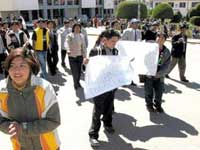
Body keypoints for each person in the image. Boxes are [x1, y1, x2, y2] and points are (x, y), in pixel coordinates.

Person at [0, 47, 61, 150]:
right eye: (12, 65)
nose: (16, 70)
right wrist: (10, 128)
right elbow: (1, 120)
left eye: (22, 65)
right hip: (20, 146)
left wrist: (23, 128)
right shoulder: (2, 91)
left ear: (31, 67)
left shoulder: (44, 88)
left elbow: (54, 121)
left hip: (48, 146)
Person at [84, 29, 121, 147]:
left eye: (116, 41)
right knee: (98, 110)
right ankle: (93, 135)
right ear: (105, 40)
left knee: (109, 107)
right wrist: (86, 64)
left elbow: (117, 67)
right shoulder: (96, 51)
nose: (115, 44)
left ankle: (108, 124)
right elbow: (88, 70)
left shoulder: (115, 51)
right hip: (99, 86)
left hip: (111, 85)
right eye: (113, 41)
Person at [144, 32, 171, 113]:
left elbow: (167, 65)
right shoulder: (149, 49)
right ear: (156, 38)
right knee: (148, 91)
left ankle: (158, 104)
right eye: (159, 37)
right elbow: (143, 61)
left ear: (165, 40)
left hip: (160, 76)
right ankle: (149, 105)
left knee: (159, 91)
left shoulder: (166, 51)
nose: (160, 39)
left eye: (163, 38)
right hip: (149, 74)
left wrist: (159, 74)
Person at [64, 23, 86, 90]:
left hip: (80, 56)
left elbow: (84, 46)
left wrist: (85, 55)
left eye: (78, 28)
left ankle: (78, 82)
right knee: (74, 71)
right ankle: (75, 84)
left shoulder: (82, 36)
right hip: (72, 56)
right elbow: (66, 43)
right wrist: (68, 50)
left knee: (79, 71)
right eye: (76, 27)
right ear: (73, 28)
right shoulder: (70, 35)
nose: (77, 29)